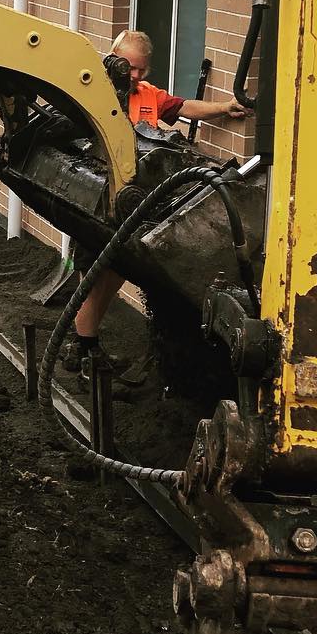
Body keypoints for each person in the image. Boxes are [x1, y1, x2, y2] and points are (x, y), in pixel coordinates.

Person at [63, 29, 249, 376]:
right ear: (113, 58)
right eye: (129, 67)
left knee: (114, 272)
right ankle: (81, 344)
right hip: (100, 198)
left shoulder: (148, 95)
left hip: (136, 203)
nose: (134, 76)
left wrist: (224, 107)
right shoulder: (91, 90)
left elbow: (182, 106)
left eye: (141, 70)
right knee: (94, 273)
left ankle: (84, 344)